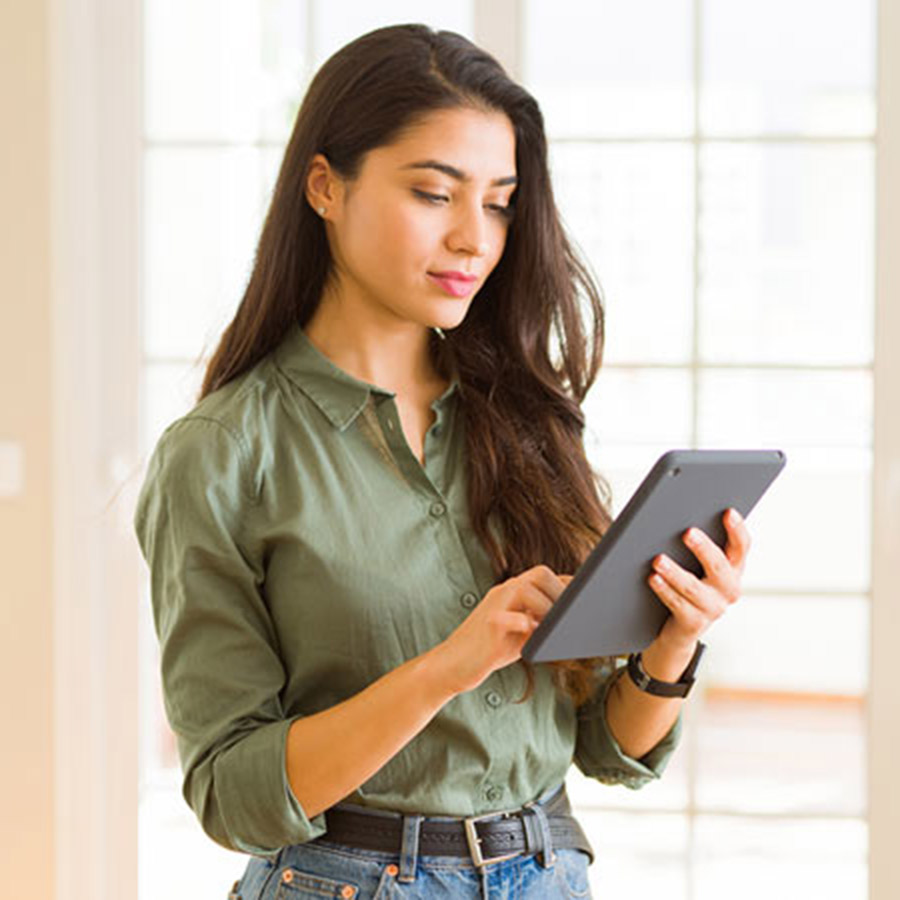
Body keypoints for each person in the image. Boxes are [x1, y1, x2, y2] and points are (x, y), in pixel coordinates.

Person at [133, 23, 752, 900]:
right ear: (324, 187)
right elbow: (232, 793)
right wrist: (445, 669)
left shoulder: (525, 420)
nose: (476, 238)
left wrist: (675, 643)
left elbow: (608, 748)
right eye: (434, 192)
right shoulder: (223, 456)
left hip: (550, 868)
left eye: (499, 201)